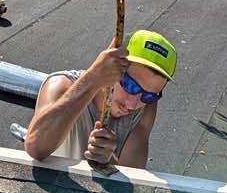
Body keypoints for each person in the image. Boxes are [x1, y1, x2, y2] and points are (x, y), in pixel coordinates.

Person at [23, 29, 178, 168]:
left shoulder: (146, 107)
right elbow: (36, 147)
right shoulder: (61, 85)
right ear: (110, 67)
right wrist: (93, 79)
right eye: (130, 85)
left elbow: (134, 176)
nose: (132, 104)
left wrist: (107, 160)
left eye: (149, 95)